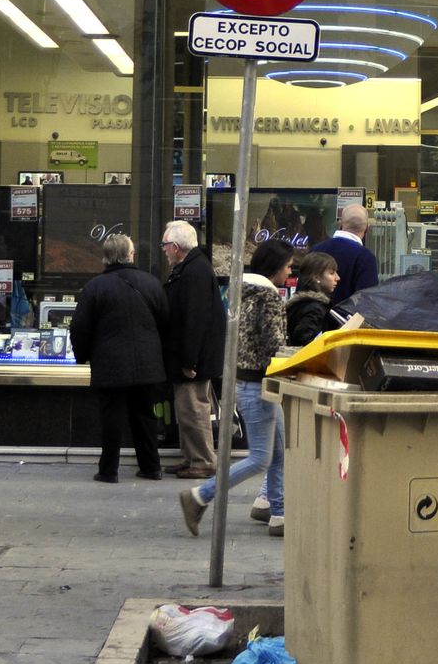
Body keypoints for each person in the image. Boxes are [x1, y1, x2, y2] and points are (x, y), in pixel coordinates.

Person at [179, 239, 293, 538]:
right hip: (260, 385)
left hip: (248, 382)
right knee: (260, 458)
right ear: (276, 268)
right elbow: (273, 344)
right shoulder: (268, 297)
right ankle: (200, 495)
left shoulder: (240, 291)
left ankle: (278, 513)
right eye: (288, 267)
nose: (290, 273)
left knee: (279, 451)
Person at [70, 234, 169, 483]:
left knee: (111, 418)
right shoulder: (151, 283)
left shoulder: (95, 287)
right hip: (148, 364)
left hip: (110, 365)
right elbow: (165, 323)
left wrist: (82, 356)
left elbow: (80, 327)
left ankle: (108, 470)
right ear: (130, 255)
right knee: (146, 416)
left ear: (105, 257)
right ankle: (151, 466)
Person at [160, 220, 226, 480]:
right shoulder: (191, 267)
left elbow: (193, 319)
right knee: (186, 410)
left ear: (176, 247)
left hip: (193, 359)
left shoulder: (194, 271)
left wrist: (189, 360)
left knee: (194, 408)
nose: (163, 250)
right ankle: (190, 457)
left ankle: (203, 460)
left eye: (165, 245)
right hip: (191, 355)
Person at [308, 204, 378, 308]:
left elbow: (303, 293)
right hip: (347, 322)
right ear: (367, 229)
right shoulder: (366, 258)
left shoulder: (316, 250)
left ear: (340, 224)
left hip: (313, 320)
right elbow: (367, 303)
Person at [285, 251, 340, 346]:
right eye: (331, 273)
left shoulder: (302, 303)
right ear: (316, 277)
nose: (337, 278)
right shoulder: (314, 308)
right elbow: (304, 341)